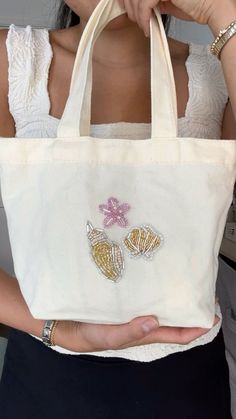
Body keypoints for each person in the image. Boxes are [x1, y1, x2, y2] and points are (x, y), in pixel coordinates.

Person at [0, 0, 235, 417]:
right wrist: (60, 332)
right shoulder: (15, 61)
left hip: (186, 377)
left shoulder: (216, 68)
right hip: (46, 370)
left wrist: (220, 12)